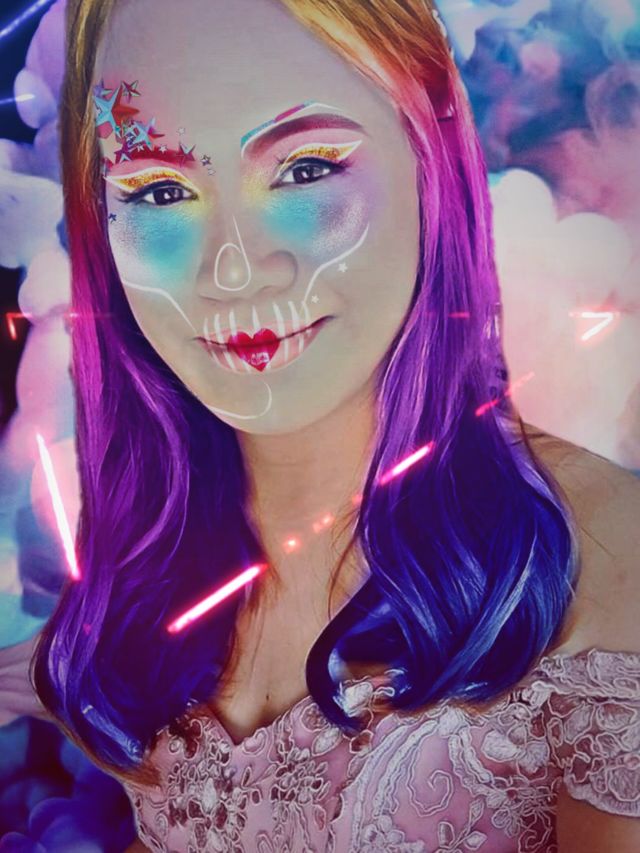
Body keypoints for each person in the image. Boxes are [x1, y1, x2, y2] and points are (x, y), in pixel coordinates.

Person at [29, 0, 640, 850]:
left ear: (431, 158)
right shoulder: (146, 557)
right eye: (161, 190)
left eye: (305, 169)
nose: (234, 269)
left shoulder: (609, 561)